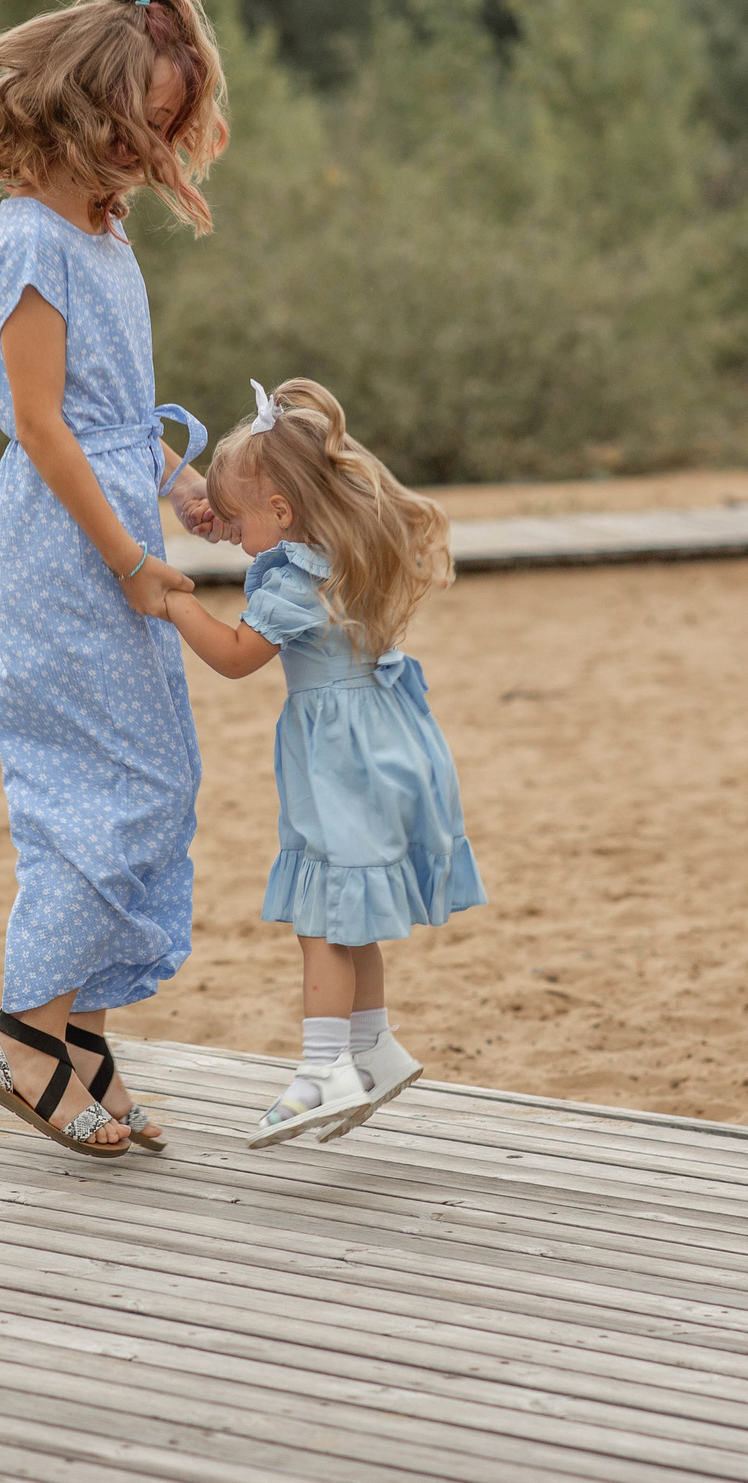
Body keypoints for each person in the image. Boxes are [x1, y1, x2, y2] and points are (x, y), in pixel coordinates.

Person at [0, 0, 231, 1157]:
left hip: (117, 524)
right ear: (77, 108)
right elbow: (44, 426)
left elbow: (120, 413)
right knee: (94, 790)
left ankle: (82, 1039)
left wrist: (183, 488)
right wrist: (128, 560)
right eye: (133, 130)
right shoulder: (26, 242)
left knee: (148, 779)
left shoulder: (103, 238)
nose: (141, 159)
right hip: (66, 549)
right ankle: (21, 1035)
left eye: (161, 134)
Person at [162, 378, 485, 1147]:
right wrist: (224, 506)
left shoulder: (295, 578)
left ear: (281, 510)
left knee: (322, 918)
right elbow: (257, 549)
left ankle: (321, 1070)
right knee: (350, 905)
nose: (232, 534)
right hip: (373, 740)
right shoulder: (327, 554)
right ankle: (371, 1046)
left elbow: (239, 656)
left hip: (342, 754)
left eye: (240, 519)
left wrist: (173, 603)